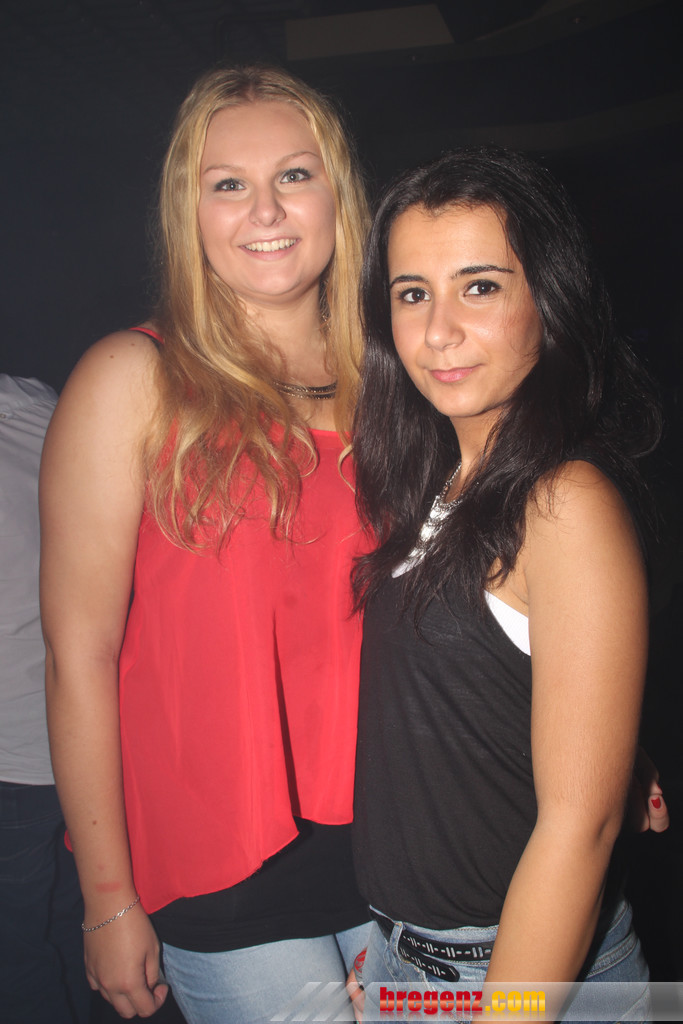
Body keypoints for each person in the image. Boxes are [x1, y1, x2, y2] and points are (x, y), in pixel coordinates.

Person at [39, 66, 372, 1024]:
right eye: (227, 183)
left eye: (295, 175)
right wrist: (108, 901)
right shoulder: (132, 377)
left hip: (407, 849)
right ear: (188, 211)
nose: (264, 209)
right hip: (221, 871)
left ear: (338, 196)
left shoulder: (400, 378)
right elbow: (79, 653)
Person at [350, 148, 664, 1022]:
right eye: (411, 293)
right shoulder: (435, 486)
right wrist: (395, 959)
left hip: (516, 975)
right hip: (414, 961)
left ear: (548, 302)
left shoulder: (563, 501)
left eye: (479, 287)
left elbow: (579, 828)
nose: (437, 330)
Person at [0, 375, 90, 1024]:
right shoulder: (47, 406)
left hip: (13, 754)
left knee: (17, 955)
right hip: (84, 740)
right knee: (62, 922)